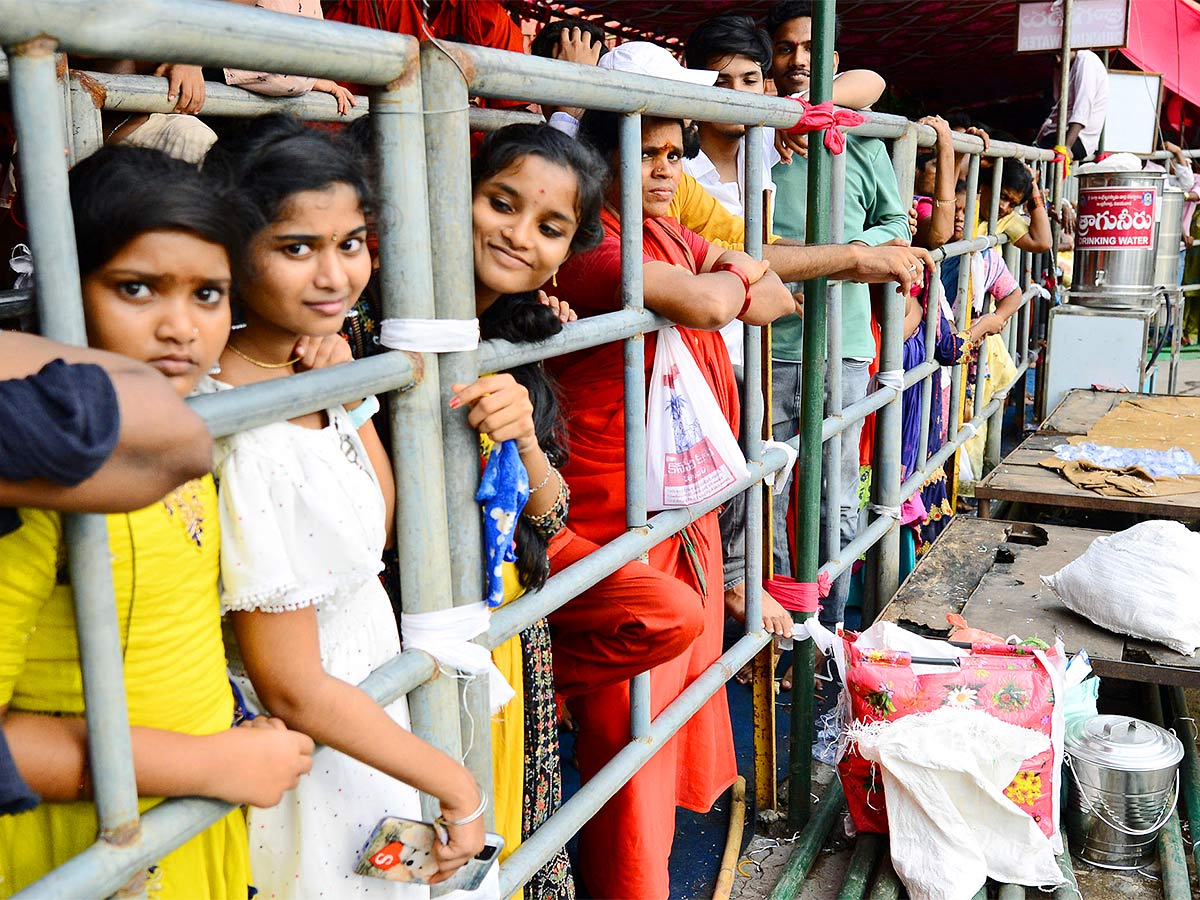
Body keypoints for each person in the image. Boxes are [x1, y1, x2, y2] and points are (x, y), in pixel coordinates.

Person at [0, 145, 316, 897]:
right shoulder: (47, 480)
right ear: (64, 290)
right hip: (85, 843)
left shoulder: (181, 431)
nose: (181, 326)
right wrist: (210, 764)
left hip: (185, 826)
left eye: (209, 294)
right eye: (137, 289)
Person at [200, 115, 483, 898]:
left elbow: (380, 530)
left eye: (350, 243)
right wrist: (455, 785)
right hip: (308, 751)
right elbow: (289, 682)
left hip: (369, 714)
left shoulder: (317, 376)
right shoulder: (235, 426)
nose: (334, 276)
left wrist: (347, 393)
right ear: (228, 250)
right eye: (298, 248)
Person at [550, 102, 793, 899]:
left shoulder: (662, 238)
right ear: (598, 164)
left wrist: (727, 275)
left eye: (671, 154)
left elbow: (774, 299)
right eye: (642, 154)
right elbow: (719, 304)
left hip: (668, 511)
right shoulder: (588, 251)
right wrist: (729, 275)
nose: (663, 170)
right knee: (627, 728)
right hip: (607, 514)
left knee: (662, 713)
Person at [454, 123, 608, 900]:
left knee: (509, 822)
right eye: (500, 204)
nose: (518, 237)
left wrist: (523, 436)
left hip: (512, 617)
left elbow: (552, 519)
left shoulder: (518, 338)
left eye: (549, 228)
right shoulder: (363, 322)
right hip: (419, 631)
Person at [544, 41, 934, 295]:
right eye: (647, 153)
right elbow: (711, 299)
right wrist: (849, 260)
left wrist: (856, 256)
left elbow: (750, 247)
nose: (688, 112)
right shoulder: (596, 227)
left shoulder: (677, 188)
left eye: (674, 155)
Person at [765, 0, 911, 632]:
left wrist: (856, 258)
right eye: (785, 48)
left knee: (835, 497)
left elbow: (895, 220)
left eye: (809, 49)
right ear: (768, 58)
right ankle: (766, 628)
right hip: (761, 347)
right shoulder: (750, 128)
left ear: (831, 62)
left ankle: (819, 624)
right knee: (760, 494)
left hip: (844, 344)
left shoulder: (855, 132)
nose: (798, 60)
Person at [683, 13, 795, 638]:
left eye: (750, 79)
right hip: (701, 338)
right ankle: (731, 588)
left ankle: (744, 590)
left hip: (747, 338)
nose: (735, 94)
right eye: (717, 81)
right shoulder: (675, 166)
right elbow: (758, 254)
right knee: (713, 476)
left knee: (752, 469)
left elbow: (867, 85)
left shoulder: (765, 152)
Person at [214, 0, 357, 115]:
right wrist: (192, 67)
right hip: (218, 84)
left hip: (264, 108)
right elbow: (218, 19)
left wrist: (310, 80)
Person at [1036, 49, 1109, 162]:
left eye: (1059, 54)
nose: (1058, 59)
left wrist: (1066, 147)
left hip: (1079, 137)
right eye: (1051, 56)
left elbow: (1082, 108)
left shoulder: (1086, 60)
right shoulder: (1059, 66)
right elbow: (1057, 105)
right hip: (1057, 133)